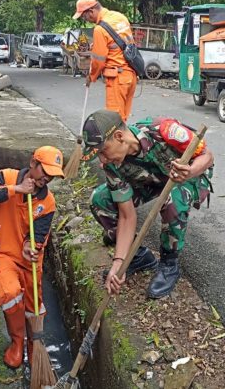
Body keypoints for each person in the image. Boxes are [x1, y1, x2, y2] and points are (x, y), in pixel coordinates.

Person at [81, 109, 214, 299]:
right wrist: (119, 262)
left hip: (188, 175)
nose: (102, 160)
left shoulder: (164, 130)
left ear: (119, 136)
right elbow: (127, 215)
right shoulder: (112, 164)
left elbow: (208, 156)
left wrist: (190, 170)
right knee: (100, 199)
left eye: (103, 151)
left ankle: (169, 264)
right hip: (152, 180)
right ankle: (137, 256)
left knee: (172, 199)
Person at [0, 146, 64, 368]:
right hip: (3, 252)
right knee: (9, 292)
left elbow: (40, 232)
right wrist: (16, 189)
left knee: (35, 306)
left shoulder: (48, 202)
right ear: (33, 164)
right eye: (45, 171)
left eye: (52, 175)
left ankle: (35, 346)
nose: (47, 178)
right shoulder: (7, 176)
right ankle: (17, 343)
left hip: (30, 261)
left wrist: (29, 246)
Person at [73, 0, 138, 121]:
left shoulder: (99, 30)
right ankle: (125, 140)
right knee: (123, 119)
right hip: (130, 76)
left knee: (115, 122)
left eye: (84, 16)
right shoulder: (120, 17)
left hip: (117, 78)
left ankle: (120, 141)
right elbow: (122, 44)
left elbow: (98, 61)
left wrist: (91, 77)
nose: (85, 19)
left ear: (91, 11)